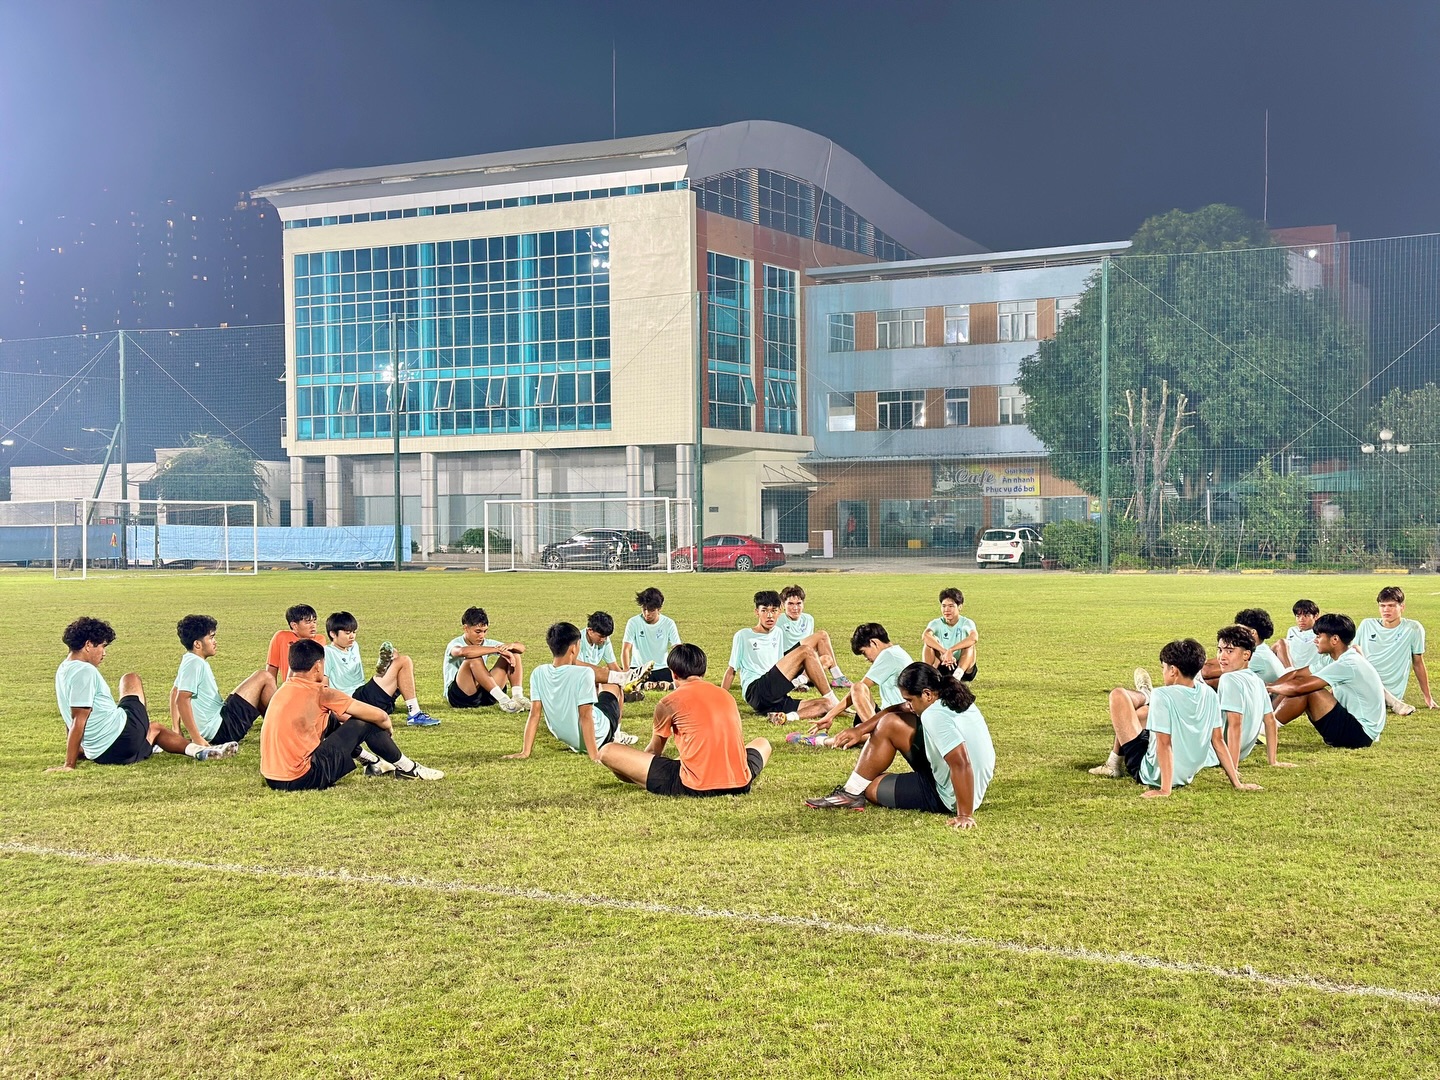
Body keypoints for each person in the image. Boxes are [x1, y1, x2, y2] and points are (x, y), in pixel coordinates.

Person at [804, 663, 994, 828]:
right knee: (890, 722)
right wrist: (860, 730)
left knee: (871, 788)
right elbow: (895, 711)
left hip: (951, 797)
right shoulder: (951, 694)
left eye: (910, 699)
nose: (907, 704)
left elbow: (960, 762)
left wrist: (964, 815)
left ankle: (852, 794)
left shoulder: (933, 715)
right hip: (969, 787)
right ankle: (851, 793)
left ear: (927, 694)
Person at [51, 616, 235, 771]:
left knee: (154, 729)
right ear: (88, 645)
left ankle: (199, 751)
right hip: (123, 737)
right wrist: (69, 764)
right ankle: (192, 747)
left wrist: (81, 750)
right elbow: (78, 719)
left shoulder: (63, 669)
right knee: (130, 679)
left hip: (104, 754)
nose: (104, 653)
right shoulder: (85, 671)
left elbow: (69, 717)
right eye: (102, 646)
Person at [261, 638, 444, 788]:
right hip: (301, 778)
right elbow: (379, 716)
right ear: (317, 666)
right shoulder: (320, 692)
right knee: (366, 721)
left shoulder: (282, 691)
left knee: (330, 719)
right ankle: (409, 768)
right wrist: (387, 726)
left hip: (272, 778)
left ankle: (371, 762)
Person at [1088, 638, 1259, 796]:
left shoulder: (1163, 695)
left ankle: (1146, 696)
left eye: (1163, 667)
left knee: (1118, 695)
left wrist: (1165, 789)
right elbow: (1218, 741)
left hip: (1150, 772)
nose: (1163, 672)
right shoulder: (1209, 693)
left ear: (1173, 670)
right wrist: (1237, 783)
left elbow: (1164, 743)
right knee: (1141, 714)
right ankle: (1146, 697)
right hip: (1185, 774)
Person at [598, 643, 772, 797]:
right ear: (703, 671)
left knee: (607, 751)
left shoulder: (668, 702)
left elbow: (654, 752)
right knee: (762, 743)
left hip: (695, 785)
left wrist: (629, 766)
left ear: (673, 674)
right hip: (740, 782)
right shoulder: (726, 696)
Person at [1270, 614, 1387, 748]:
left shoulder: (1348, 663)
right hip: (1354, 727)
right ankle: (1265, 724)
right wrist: (1273, 685)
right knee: (1302, 683)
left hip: (1360, 735)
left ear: (1335, 639)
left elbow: (1299, 687)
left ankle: (1265, 730)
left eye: (1319, 636)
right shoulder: (1335, 658)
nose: (1315, 640)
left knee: (1308, 690)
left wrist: (1268, 688)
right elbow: (1296, 673)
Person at [505, 622, 619, 761]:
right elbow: (586, 716)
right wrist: (594, 756)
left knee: (599, 691)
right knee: (613, 685)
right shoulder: (584, 673)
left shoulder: (538, 673)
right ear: (574, 648)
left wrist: (525, 752)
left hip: (571, 742)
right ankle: (617, 734)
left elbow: (534, 714)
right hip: (600, 735)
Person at [721, 590, 840, 723]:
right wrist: (720, 703)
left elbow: (778, 664)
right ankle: (835, 700)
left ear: (779, 612)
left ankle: (785, 717)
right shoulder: (743, 635)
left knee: (825, 705)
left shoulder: (778, 633)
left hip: (775, 695)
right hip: (756, 690)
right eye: (764, 610)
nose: (769, 615)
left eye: (774, 610)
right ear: (757, 612)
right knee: (806, 651)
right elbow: (731, 671)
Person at [170, 614, 276, 750]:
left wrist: (176, 729)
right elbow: (181, 699)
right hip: (221, 729)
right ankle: (281, 731)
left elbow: (174, 692)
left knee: (261, 688)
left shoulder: (188, 659)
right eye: (211, 637)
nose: (215, 641)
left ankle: (276, 731)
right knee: (264, 677)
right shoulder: (195, 664)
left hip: (219, 721)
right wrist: (196, 738)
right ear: (197, 644)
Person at [800, 623, 914, 749]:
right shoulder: (897, 652)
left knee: (857, 688)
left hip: (898, 719)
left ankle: (825, 741)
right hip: (894, 716)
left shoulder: (889, 655)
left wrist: (830, 715)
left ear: (874, 642)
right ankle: (872, 733)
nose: (866, 658)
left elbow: (858, 689)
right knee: (858, 726)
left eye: (864, 652)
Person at [323, 611, 439, 728]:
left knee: (398, 661)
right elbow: (323, 689)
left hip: (364, 693)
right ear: (333, 634)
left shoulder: (353, 646)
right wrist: (340, 714)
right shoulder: (326, 652)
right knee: (404, 661)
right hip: (353, 699)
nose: (352, 636)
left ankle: (385, 666)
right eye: (347, 633)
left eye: (354, 632)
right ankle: (414, 713)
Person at [1205, 624, 1294, 771]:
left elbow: (1235, 725)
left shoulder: (1229, 679)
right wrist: (1273, 760)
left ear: (1246, 655)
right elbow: (1270, 722)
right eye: (1220, 650)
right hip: (1240, 752)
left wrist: (1232, 768)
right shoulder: (1257, 681)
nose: (1222, 656)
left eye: (1229, 651)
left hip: (1214, 752)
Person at [1356, 586, 1434, 714]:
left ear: (1402, 607)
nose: (1386, 609)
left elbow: (1418, 663)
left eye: (1391, 606)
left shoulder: (1413, 628)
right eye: (1382, 606)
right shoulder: (1367, 625)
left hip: (1390, 692)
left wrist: (1428, 697)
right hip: (1362, 686)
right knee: (1353, 652)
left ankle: (1389, 699)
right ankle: (1394, 703)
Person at [442, 607, 528, 713]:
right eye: (478, 631)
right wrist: (497, 650)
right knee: (473, 659)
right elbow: (461, 652)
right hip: (461, 696)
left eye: (484, 631)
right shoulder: (455, 643)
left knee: (514, 653)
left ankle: (517, 697)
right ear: (465, 628)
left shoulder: (486, 642)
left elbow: (521, 648)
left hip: (485, 694)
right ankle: (504, 700)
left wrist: (511, 646)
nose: (482, 636)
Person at [576, 611, 645, 744]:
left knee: (617, 685)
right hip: (578, 680)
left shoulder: (605, 642)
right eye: (601, 636)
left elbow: (613, 666)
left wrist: (626, 679)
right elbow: (574, 665)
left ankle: (617, 732)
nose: (604, 640)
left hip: (591, 678)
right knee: (605, 678)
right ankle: (601, 731)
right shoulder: (577, 641)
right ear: (590, 631)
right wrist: (601, 673)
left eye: (606, 636)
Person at [778, 585, 851, 689]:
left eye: (799, 603)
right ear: (783, 605)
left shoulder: (808, 619)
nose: (795, 608)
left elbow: (812, 646)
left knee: (827, 659)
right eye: (790, 604)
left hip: (803, 662)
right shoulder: (778, 620)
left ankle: (798, 681)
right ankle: (839, 677)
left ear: (803, 604)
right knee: (822, 635)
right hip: (787, 662)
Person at [1196, 608, 1284, 689]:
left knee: (1211, 681)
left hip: (1262, 701)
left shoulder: (1257, 656)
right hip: (1260, 695)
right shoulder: (1261, 649)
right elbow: (1208, 665)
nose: (1235, 633)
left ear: (1253, 633)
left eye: (1239, 630)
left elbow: (1207, 671)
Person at [622, 587, 681, 690]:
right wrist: (627, 672)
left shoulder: (668, 623)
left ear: (659, 609)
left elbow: (677, 648)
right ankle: (660, 685)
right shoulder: (633, 622)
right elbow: (626, 649)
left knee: (681, 679)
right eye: (644, 609)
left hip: (662, 668)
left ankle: (646, 685)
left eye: (651, 610)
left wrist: (679, 671)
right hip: (639, 668)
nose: (647, 614)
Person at [920, 587, 978, 681]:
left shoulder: (966, 623)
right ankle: (928, 674)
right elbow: (925, 636)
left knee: (970, 645)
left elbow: (974, 637)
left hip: (963, 666)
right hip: (943, 663)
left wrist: (951, 650)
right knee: (929, 643)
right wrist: (944, 652)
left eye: (951, 606)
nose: (946, 610)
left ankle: (957, 675)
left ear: (959, 607)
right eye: (943, 606)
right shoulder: (936, 623)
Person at [265, 603, 320, 683]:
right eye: (308, 622)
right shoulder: (281, 637)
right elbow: (271, 669)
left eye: (314, 622)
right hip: (290, 689)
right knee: (262, 675)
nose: (313, 626)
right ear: (294, 625)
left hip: (312, 689)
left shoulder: (319, 640)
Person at [1274, 599, 1320, 671]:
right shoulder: (1292, 631)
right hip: (1291, 669)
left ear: (1316, 616)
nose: (1301, 619)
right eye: (1298, 616)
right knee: (1280, 643)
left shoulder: (1320, 634)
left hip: (1310, 672)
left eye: (1306, 616)